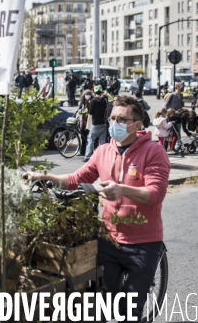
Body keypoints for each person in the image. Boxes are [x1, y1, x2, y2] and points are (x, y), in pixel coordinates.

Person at [23, 95, 170, 320]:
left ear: (137, 125)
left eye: (122, 119)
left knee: (129, 312)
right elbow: (76, 178)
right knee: (101, 307)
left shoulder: (153, 152)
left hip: (143, 243)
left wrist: (122, 190)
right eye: (112, 118)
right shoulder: (103, 151)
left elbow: (156, 194)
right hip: (109, 240)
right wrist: (45, 176)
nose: (114, 124)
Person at [83, 85, 108, 162]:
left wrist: (89, 105)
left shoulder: (93, 101)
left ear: (95, 92)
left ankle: (87, 156)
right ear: (101, 92)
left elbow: (90, 112)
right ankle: (102, 156)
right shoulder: (105, 100)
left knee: (91, 139)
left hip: (95, 123)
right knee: (102, 140)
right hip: (103, 123)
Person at [77, 90, 93, 155]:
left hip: (89, 121)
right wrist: (80, 111)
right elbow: (79, 109)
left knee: (89, 137)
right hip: (83, 120)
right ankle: (82, 151)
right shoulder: (82, 102)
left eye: (89, 94)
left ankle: (89, 151)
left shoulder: (92, 102)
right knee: (83, 137)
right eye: (86, 94)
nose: (87, 96)